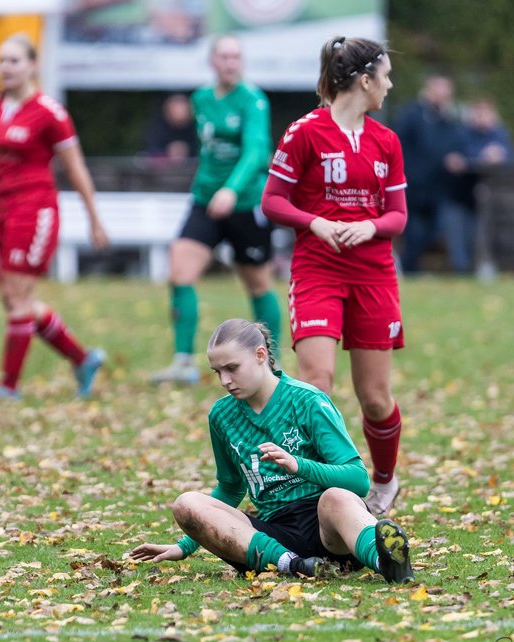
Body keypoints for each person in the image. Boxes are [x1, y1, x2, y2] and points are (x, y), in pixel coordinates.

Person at [130, 319, 412, 582]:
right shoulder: (222, 415)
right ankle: (296, 565)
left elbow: (358, 480)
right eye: (218, 372)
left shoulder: (307, 400)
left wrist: (299, 465)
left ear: (260, 355)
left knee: (336, 497)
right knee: (186, 503)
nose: (225, 381)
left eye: (232, 368)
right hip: (273, 536)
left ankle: (386, 561)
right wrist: (186, 545)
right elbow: (229, 489)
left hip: (329, 531)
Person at [261, 35, 408, 517]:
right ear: (364, 80)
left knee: (375, 397)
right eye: (384, 75)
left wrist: (369, 225)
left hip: (373, 275)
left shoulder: (386, 141)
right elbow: (273, 201)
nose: (388, 84)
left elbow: (398, 216)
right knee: (316, 384)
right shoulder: (304, 132)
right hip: (317, 269)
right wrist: (315, 222)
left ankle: (384, 483)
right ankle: (320, 490)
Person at [0, 34, 109, 403]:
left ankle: (7, 386)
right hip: (2, 211)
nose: (6, 67)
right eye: (1, 60)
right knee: (13, 300)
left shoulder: (49, 112)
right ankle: (83, 359)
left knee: (20, 299)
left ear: (32, 66)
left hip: (34, 210)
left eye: (14, 61)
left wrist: (94, 218)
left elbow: (75, 167)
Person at [151, 35, 279, 384]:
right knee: (179, 272)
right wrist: (213, 188)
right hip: (205, 200)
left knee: (257, 284)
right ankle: (183, 363)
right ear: (213, 61)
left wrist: (231, 189)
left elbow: (256, 152)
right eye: (224, 56)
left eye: (236, 56)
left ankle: (273, 363)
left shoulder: (253, 100)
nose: (231, 62)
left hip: (245, 202)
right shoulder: (201, 98)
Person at [440, 96, 514, 275]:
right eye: (478, 112)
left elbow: (512, 161)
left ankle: (484, 268)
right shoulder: (460, 133)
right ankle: (461, 272)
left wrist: (500, 157)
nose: (482, 117)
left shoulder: (501, 135)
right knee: (458, 237)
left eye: (486, 112)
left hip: (491, 201)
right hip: (460, 196)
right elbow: (451, 158)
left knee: (483, 237)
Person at [394, 75, 462, 274]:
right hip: (412, 186)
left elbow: (455, 143)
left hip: (438, 187)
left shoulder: (447, 119)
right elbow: (399, 144)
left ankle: (412, 268)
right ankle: (410, 270)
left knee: (435, 230)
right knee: (413, 232)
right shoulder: (412, 115)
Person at [141, 92, 197, 161]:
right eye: (176, 105)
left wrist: (187, 151)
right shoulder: (157, 130)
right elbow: (149, 153)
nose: (180, 110)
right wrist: (167, 153)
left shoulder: (197, 128)